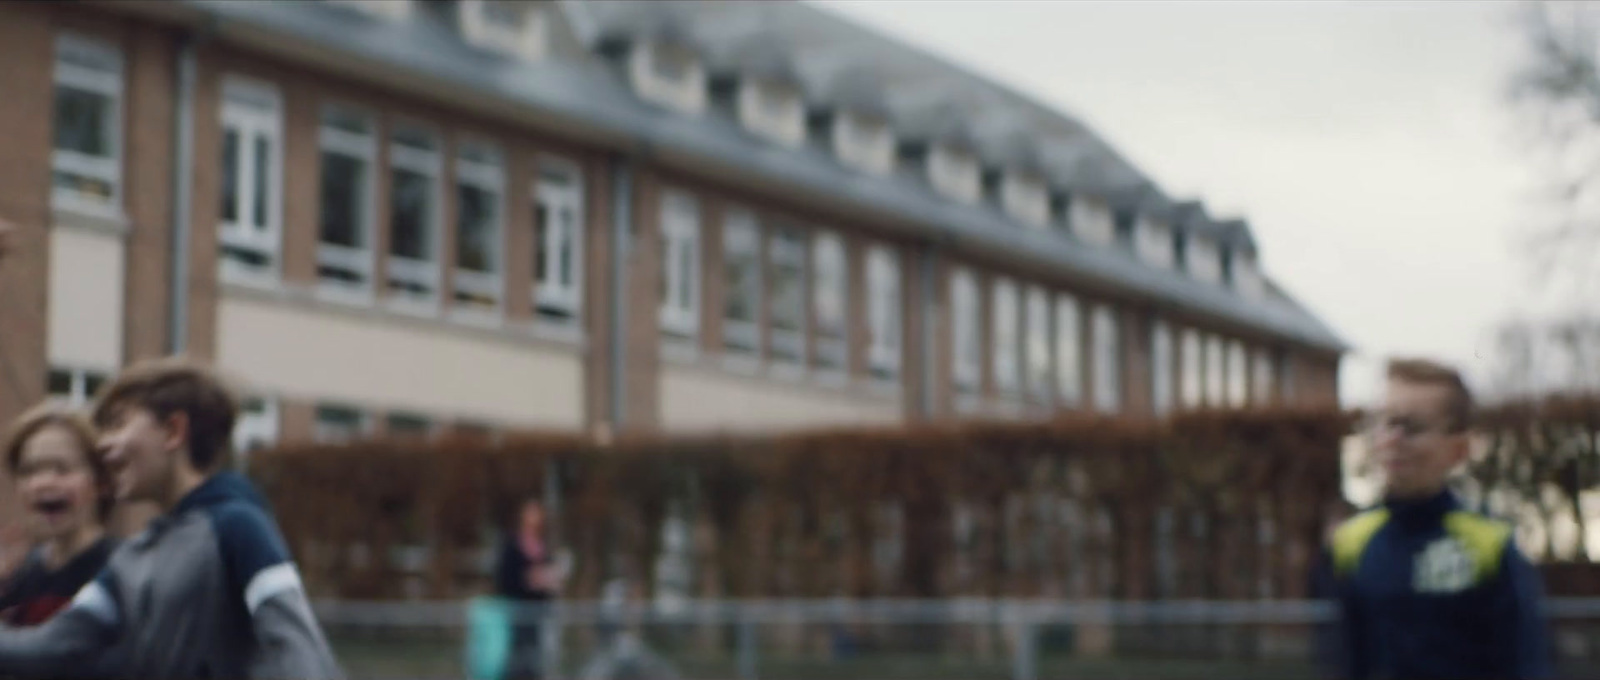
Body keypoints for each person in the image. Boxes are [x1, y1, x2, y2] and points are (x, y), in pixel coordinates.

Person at [0, 357, 344, 679]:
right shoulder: (133, 558)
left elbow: (301, 654)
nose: (103, 446)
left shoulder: (238, 527)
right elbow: (53, 644)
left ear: (173, 431)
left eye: (118, 424)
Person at [1329, 358, 1552, 680]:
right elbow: (1347, 660)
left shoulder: (1488, 545)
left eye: (1412, 427)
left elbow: (1526, 664)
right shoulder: (1353, 542)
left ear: (1458, 448)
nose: (1392, 440)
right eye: (1384, 422)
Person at [0, 403, 117, 626]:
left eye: (62, 469)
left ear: (101, 482)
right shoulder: (18, 575)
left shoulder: (121, 569)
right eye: (28, 471)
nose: (42, 483)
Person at [495, 498, 567, 680]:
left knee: (536, 657)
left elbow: (550, 580)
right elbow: (506, 579)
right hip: (518, 611)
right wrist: (529, 579)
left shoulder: (544, 548)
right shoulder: (513, 546)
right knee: (519, 657)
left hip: (539, 613)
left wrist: (550, 581)